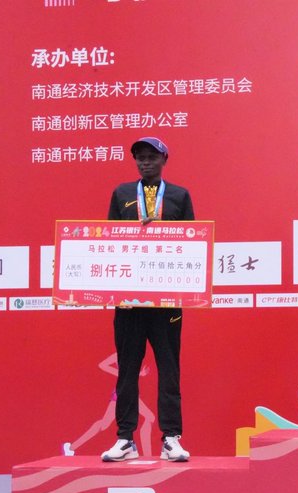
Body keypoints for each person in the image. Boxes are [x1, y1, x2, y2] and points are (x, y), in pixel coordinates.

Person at [101, 135, 194, 464]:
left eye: (151, 157)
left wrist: (162, 230)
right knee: (126, 370)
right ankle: (125, 438)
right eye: (139, 157)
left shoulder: (180, 196)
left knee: (169, 369)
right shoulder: (122, 194)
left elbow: (194, 242)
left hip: (167, 301)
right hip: (128, 300)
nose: (145, 162)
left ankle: (171, 437)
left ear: (164, 159)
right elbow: (108, 240)